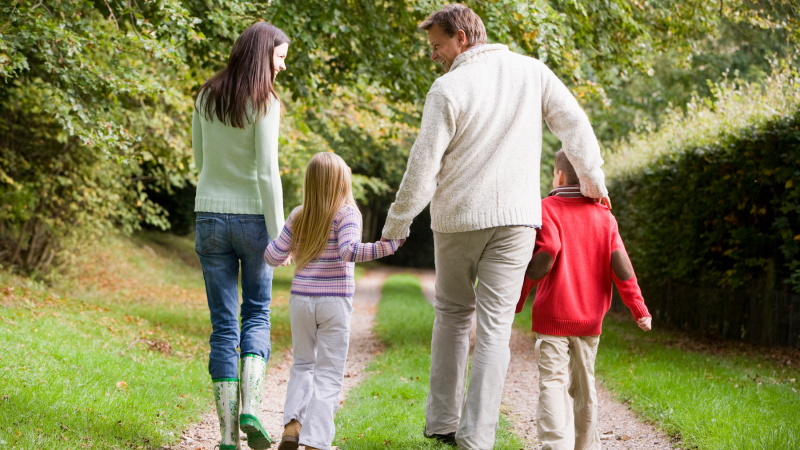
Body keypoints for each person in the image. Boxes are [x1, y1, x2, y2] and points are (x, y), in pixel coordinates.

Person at [380, 4, 610, 449]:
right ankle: (477, 438)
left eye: (437, 45)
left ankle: (444, 421)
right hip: (517, 221)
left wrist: (396, 225)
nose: (434, 55)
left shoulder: (447, 88)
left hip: (457, 221)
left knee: (451, 314)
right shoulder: (532, 72)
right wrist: (594, 183)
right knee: (495, 328)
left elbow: (422, 166)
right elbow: (575, 126)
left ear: (461, 38)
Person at [192, 21, 289, 450]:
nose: (282, 67)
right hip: (253, 221)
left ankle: (228, 435)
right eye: (280, 57)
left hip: (209, 217)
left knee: (223, 327)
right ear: (263, 54)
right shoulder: (265, 102)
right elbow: (268, 173)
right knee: (257, 314)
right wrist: (279, 234)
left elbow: (199, 157)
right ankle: (251, 406)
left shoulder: (205, 95)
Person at [264, 152, 403, 450]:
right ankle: (315, 441)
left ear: (310, 182)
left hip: (301, 300)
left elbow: (272, 255)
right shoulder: (347, 213)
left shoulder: (299, 214)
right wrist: (386, 247)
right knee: (328, 371)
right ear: (342, 181)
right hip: (334, 301)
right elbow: (349, 251)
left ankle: (291, 427)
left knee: (302, 363)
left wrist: (286, 252)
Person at [516, 150, 652, 450]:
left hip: (553, 317)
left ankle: (556, 446)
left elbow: (545, 255)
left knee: (552, 381)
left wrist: (518, 299)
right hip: (590, 320)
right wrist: (638, 308)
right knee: (585, 386)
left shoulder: (547, 208)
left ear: (560, 176)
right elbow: (621, 266)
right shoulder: (605, 216)